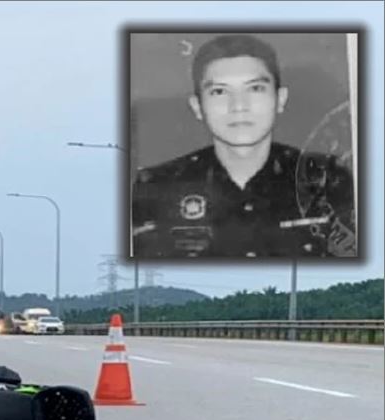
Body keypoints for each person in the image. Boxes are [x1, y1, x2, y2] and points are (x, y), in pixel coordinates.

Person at [131, 33, 356, 258]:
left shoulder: (329, 180)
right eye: (219, 91)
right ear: (197, 106)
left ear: (280, 99)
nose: (239, 105)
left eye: (255, 89)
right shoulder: (156, 188)